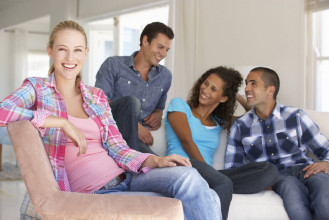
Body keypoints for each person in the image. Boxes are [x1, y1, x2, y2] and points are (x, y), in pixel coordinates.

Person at [0, 20, 222, 220]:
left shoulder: (95, 97)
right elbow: (3, 111)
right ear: (50, 51)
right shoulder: (37, 88)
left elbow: (118, 148)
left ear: (86, 53)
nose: (70, 58)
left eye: (77, 50)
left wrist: (153, 160)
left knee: (190, 178)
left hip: (127, 177)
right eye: (62, 50)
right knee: (204, 199)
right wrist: (59, 121)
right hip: (96, 194)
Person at [165, 66, 279, 220]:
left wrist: (235, 95)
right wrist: (208, 174)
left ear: (223, 98)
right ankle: (213, 183)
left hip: (210, 176)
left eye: (213, 89)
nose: (205, 90)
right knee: (224, 183)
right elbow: (187, 142)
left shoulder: (219, 122)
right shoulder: (179, 105)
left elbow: (253, 118)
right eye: (205, 83)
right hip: (181, 167)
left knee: (269, 170)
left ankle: (211, 183)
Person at [225, 67, 329, 220]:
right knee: (295, 205)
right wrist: (261, 182)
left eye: (253, 84)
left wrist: (327, 163)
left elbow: (325, 148)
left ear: (270, 90)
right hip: (277, 177)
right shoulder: (241, 126)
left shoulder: (296, 116)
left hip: (306, 169)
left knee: (324, 200)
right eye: (246, 84)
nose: (246, 88)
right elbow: (233, 170)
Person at [95, 22, 173, 154]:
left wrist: (158, 114)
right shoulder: (113, 65)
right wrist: (134, 127)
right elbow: (99, 104)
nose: (163, 54)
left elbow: (159, 107)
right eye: (160, 47)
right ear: (145, 41)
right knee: (131, 102)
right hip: (111, 134)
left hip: (135, 144)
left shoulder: (165, 76)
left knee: (171, 168)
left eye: (167, 50)